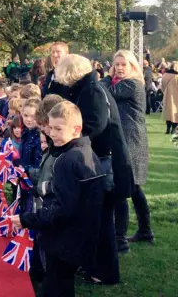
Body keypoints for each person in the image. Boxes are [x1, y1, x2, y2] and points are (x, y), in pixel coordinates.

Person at [12, 101, 105, 297]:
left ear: (76, 129)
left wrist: (27, 219)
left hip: (65, 238)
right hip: (80, 235)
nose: (52, 133)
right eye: (50, 128)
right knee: (62, 282)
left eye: (58, 129)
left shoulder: (68, 160)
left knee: (55, 284)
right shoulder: (85, 152)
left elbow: (62, 208)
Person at [55, 54, 132, 284]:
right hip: (96, 158)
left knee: (102, 219)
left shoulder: (92, 91)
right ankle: (93, 265)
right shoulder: (88, 88)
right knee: (94, 217)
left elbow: (95, 125)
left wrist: (71, 138)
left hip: (102, 161)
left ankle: (105, 271)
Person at [103, 50, 152, 245]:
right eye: (117, 64)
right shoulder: (122, 83)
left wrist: (107, 76)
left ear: (133, 67)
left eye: (124, 64)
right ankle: (145, 231)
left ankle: (121, 235)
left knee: (126, 187)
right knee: (135, 189)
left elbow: (106, 92)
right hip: (126, 139)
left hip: (131, 141)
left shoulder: (132, 85)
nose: (120, 68)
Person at [160, 63, 178, 134]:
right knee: (175, 113)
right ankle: (173, 129)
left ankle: (168, 129)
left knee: (168, 113)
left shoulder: (165, 75)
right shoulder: (176, 76)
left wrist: (165, 92)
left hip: (167, 96)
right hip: (176, 97)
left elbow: (162, 86)